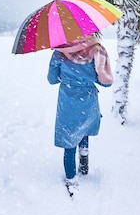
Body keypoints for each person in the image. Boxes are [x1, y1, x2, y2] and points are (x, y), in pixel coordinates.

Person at [47, 34, 113, 187]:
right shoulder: (97, 50)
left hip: (67, 99)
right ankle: (84, 158)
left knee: (68, 136)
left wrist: (67, 75)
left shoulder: (60, 52)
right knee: (84, 127)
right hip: (88, 97)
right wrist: (88, 76)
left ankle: (71, 178)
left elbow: (52, 80)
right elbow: (106, 82)